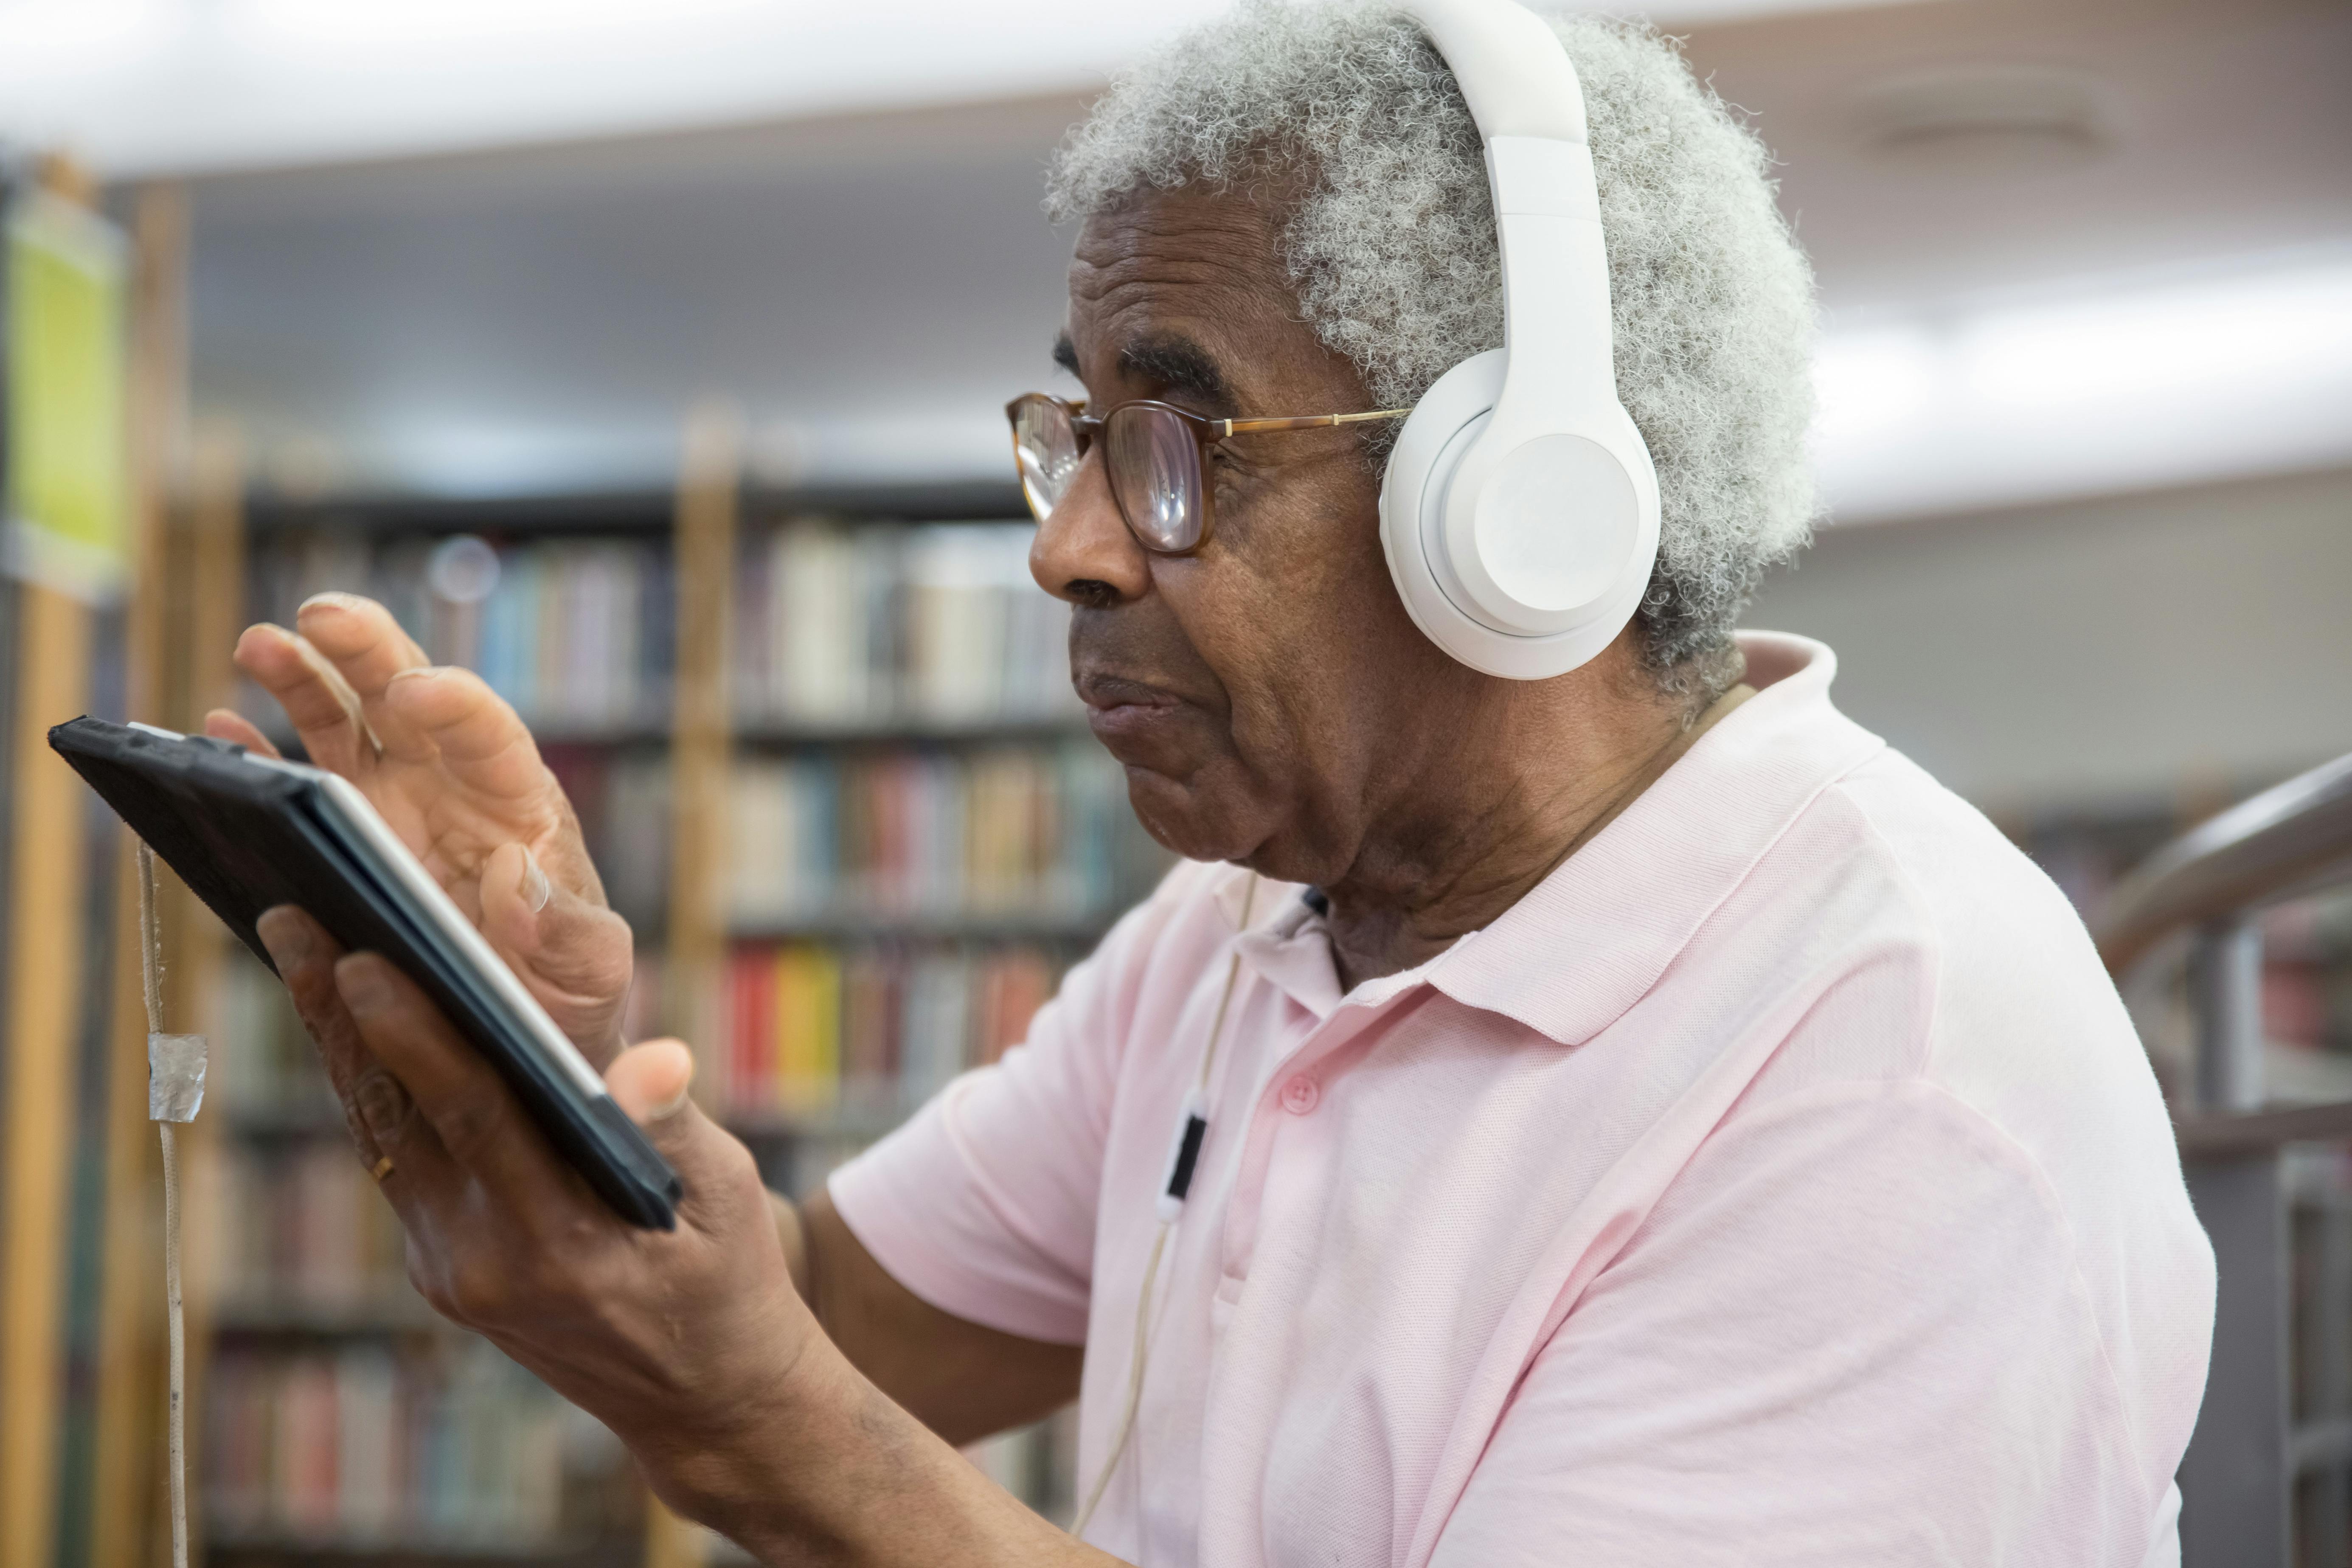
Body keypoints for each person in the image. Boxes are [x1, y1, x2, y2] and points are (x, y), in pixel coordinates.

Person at [210, 4, 2216, 1564]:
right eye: (1074, 433)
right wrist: (528, 1058)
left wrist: (765, 1431)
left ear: (1519, 508)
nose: (1069, 544)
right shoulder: (1249, 928)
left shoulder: (1894, 1069)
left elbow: (789, 1408)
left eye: (1179, 439)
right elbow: (837, 1332)